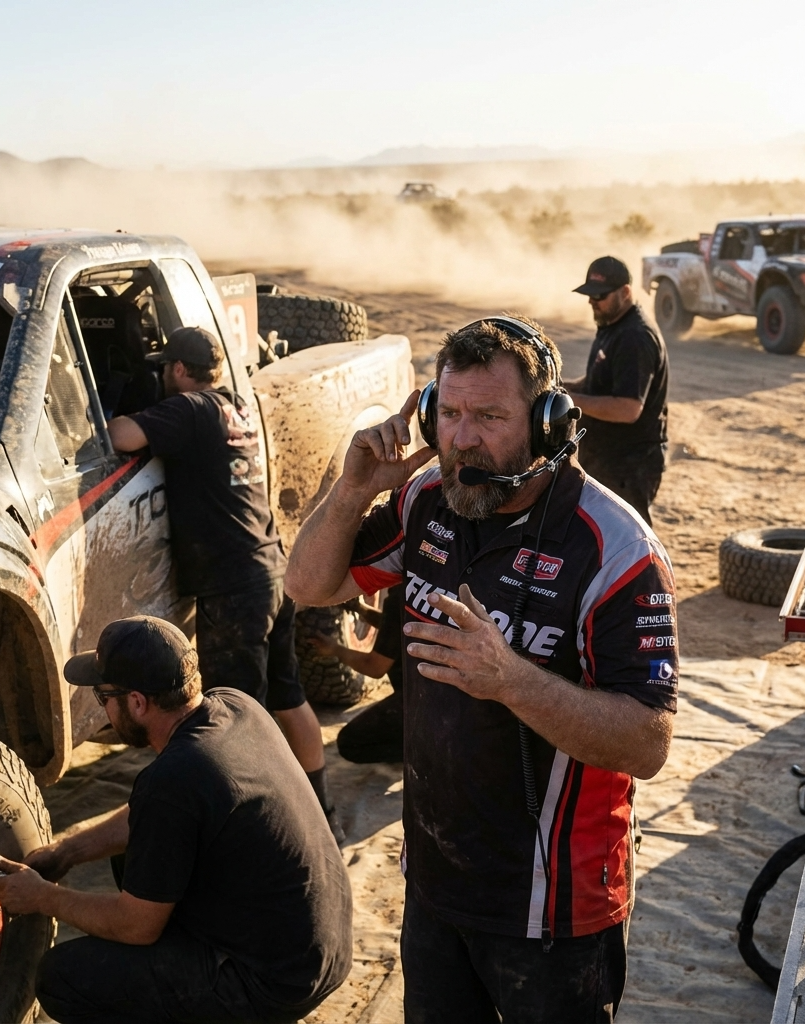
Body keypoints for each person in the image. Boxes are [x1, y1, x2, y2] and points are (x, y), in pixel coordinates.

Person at [285, 315, 678, 1022]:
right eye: (450, 414)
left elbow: (648, 744)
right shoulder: (426, 499)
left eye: (490, 417)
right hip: (434, 883)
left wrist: (511, 680)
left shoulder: (617, 551)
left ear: (550, 424)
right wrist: (353, 490)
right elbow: (309, 586)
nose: (463, 439)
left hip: (553, 910)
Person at [0, 616, 352, 1024]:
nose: (103, 708)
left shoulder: (173, 778)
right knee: (133, 857)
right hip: (321, 946)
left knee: (63, 977)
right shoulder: (235, 705)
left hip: (273, 982)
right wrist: (66, 852)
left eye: (102, 696)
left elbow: (135, 927)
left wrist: (43, 897)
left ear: (137, 703)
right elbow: (161, 814)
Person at [107, 326, 344, 843]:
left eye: (164, 367)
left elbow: (121, 435)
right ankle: (322, 815)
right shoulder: (233, 405)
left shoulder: (189, 409)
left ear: (178, 370)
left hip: (235, 588)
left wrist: (118, 409)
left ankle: (262, 830)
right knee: (288, 697)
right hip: (271, 569)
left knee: (238, 719)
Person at [564, 255, 670, 527]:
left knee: (625, 536)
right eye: (589, 294)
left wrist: (568, 400)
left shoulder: (634, 337)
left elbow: (628, 408)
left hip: (629, 464)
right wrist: (566, 387)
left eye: (600, 295)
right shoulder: (612, 322)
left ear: (625, 292)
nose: (592, 301)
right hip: (607, 458)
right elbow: (605, 380)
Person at [316, 585, 404, 764]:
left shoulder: (401, 596)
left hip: (428, 699)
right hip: (448, 690)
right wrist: (361, 609)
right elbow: (396, 628)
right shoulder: (423, 585)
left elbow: (375, 668)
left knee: (350, 743)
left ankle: (424, 750)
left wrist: (336, 650)